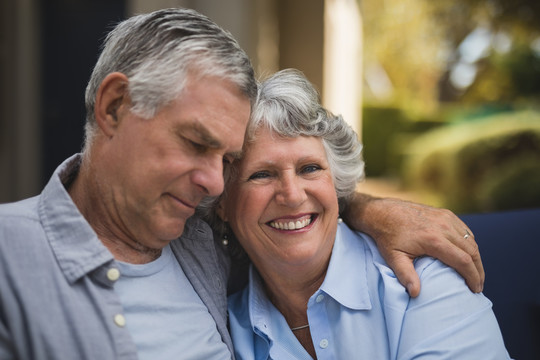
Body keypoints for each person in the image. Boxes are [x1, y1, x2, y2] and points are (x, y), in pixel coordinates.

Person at [0, 8, 482, 360]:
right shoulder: (11, 259)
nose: (213, 182)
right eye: (195, 143)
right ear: (114, 107)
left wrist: (364, 207)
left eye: (229, 160)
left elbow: (286, 218)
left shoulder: (198, 241)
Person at [200, 69, 511, 359]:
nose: (292, 195)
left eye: (310, 168)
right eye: (261, 175)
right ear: (222, 202)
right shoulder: (220, 325)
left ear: (337, 185)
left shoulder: (423, 278)